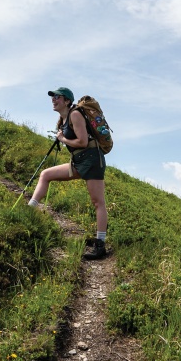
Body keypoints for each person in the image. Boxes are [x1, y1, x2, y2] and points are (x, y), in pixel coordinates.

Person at [29, 86, 108, 259]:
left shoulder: (75, 115)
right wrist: (62, 136)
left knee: (97, 202)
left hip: (92, 160)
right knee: (46, 175)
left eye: (58, 97)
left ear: (67, 101)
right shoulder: (63, 120)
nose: (54, 99)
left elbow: (82, 141)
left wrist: (63, 139)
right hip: (79, 161)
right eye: (53, 97)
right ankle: (29, 210)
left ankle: (100, 244)